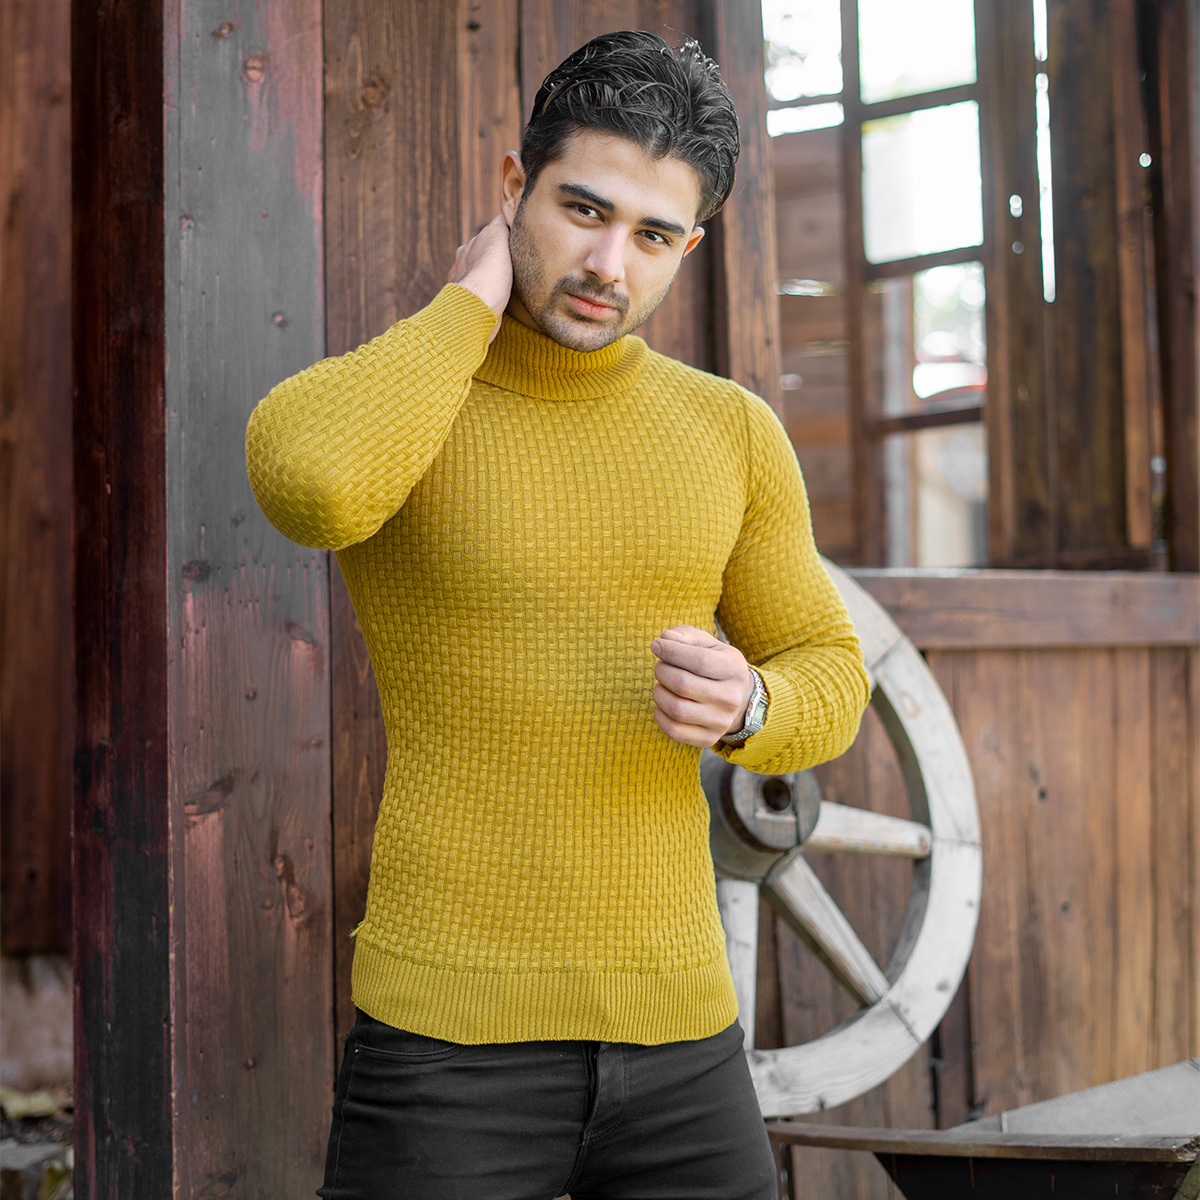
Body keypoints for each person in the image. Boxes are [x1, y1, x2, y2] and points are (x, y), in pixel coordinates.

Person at [246, 29, 869, 1200]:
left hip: (683, 1038)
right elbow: (315, 487)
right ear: (512, 186)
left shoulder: (730, 429)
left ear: (690, 245)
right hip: (447, 1048)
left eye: (653, 236)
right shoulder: (411, 399)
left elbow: (831, 669)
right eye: (583, 209)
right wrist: (469, 302)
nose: (608, 264)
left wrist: (755, 704)